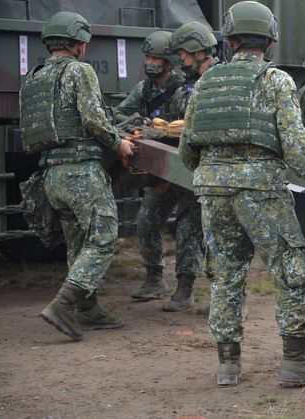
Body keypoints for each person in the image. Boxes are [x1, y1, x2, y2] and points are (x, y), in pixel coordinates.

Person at [179, 0, 305, 387]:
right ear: (269, 41)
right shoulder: (276, 81)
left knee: (224, 275)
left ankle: (227, 366)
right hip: (262, 191)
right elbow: (296, 147)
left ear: (231, 38)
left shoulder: (206, 82)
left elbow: (188, 150)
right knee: (290, 271)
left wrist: (216, 172)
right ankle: (294, 363)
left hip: (212, 189)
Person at [19, 11, 134, 340]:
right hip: (81, 170)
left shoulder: (35, 77)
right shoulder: (79, 71)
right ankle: (63, 304)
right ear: (78, 44)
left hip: (52, 174)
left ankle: (87, 310)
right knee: (103, 237)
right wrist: (119, 144)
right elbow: (94, 119)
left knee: (78, 242)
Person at [114, 32, 199, 309]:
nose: (150, 63)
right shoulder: (145, 89)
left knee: (188, 225)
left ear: (170, 61)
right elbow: (121, 113)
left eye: (156, 58)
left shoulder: (184, 87)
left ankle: (185, 288)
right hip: (159, 166)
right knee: (147, 218)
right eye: (148, 57)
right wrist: (139, 121)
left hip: (184, 165)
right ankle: (154, 279)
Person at [170, 21, 221, 118]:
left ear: (196, 52)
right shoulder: (191, 81)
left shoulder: (221, 79)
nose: (180, 60)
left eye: (180, 54)